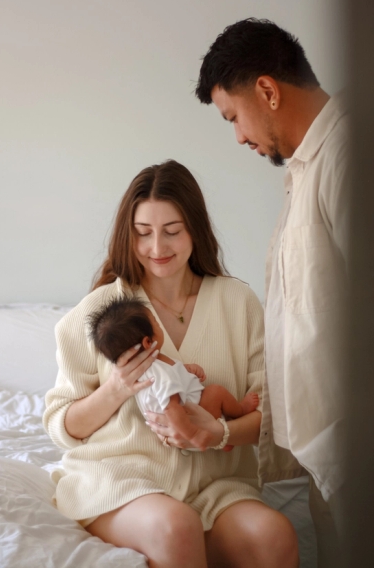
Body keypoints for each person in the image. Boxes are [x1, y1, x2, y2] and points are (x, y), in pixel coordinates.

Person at [146, 19, 349, 567]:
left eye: (233, 117)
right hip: (329, 450)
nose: (237, 136)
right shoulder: (306, 170)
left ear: (267, 90)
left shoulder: (349, 155)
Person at [44, 159, 299, 568]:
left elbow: (271, 412)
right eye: (143, 234)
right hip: (122, 482)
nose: (157, 249)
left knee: (274, 535)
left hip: (216, 487)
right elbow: (62, 426)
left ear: (195, 229)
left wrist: (218, 432)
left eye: (172, 232)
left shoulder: (239, 303)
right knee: (176, 527)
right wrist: (116, 388)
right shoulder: (102, 312)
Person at [87, 294, 259, 450]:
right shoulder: (159, 372)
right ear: (148, 342)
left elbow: (169, 380)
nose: (159, 324)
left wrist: (186, 370)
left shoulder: (146, 370)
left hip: (181, 425)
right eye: (155, 322)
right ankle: (240, 410)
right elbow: (171, 407)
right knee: (216, 392)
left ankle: (224, 443)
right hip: (189, 424)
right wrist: (194, 434)